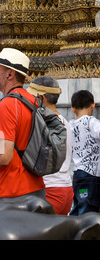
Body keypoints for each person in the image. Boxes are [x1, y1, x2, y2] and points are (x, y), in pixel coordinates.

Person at [0, 48, 45, 200]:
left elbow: (4, 156)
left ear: (9, 74)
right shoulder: (34, 101)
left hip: (12, 192)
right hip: (36, 187)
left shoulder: (6, 105)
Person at [27, 76, 73, 215]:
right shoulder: (65, 122)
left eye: (32, 97)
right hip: (65, 188)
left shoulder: (43, 122)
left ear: (42, 98)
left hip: (50, 189)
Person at [69, 90, 100, 215]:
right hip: (91, 174)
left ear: (73, 109)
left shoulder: (71, 124)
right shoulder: (90, 121)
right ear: (93, 105)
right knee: (88, 211)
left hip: (78, 173)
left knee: (78, 208)